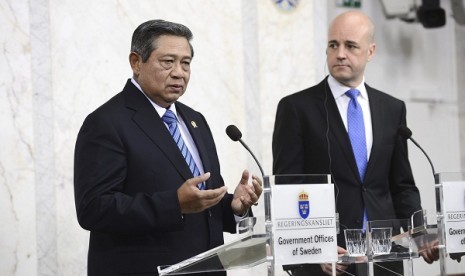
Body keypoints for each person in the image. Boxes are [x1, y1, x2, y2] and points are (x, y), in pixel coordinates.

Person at [74, 19, 262, 276]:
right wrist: (174, 204)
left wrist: (233, 207)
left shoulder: (195, 120)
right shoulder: (107, 122)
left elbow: (199, 200)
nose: (179, 72)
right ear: (136, 62)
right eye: (168, 62)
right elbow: (93, 209)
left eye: (186, 63)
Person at [272, 10, 438, 275]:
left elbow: (401, 184)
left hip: (384, 257)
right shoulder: (297, 108)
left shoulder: (392, 109)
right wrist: (313, 250)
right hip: (329, 260)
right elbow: (289, 189)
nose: (340, 54)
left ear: (370, 51)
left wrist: (419, 234)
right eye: (333, 45)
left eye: (350, 46)